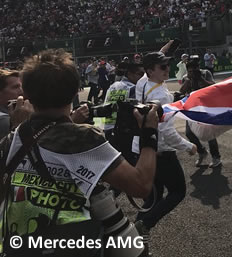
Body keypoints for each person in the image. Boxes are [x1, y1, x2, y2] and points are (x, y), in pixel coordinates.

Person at [0, 49, 158, 257]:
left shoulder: (14, 136)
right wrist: (149, 133)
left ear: (27, 94)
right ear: (75, 90)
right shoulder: (83, 137)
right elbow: (141, 185)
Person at [134, 51, 197, 239]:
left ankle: (134, 236)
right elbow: (168, 133)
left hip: (144, 146)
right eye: (162, 67)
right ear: (150, 70)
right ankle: (143, 224)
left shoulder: (142, 82)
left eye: (168, 65)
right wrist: (189, 146)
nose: (167, 69)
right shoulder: (162, 95)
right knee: (178, 191)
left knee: (153, 197)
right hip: (161, 150)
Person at [179, 57, 221, 168]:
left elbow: (213, 86)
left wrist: (200, 78)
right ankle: (202, 152)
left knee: (209, 133)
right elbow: (181, 92)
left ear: (198, 68)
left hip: (205, 107)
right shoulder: (185, 78)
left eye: (194, 70)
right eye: (190, 71)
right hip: (192, 108)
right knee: (189, 133)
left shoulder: (205, 73)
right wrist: (188, 81)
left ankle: (216, 157)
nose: (192, 73)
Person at [102, 61, 146, 165]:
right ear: (130, 74)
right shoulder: (133, 89)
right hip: (125, 132)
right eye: (140, 74)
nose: (143, 77)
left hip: (108, 128)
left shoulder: (114, 85)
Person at [0, 69, 33, 140]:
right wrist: (19, 125)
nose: (22, 91)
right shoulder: (4, 121)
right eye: (15, 87)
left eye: (22, 86)